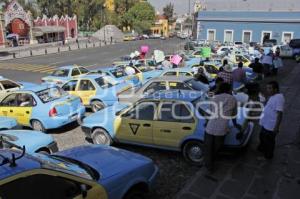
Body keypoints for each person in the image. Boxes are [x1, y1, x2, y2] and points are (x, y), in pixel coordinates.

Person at [204, 82, 241, 174]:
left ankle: (209, 167)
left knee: (208, 148)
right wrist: (235, 124)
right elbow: (234, 115)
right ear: (229, 90)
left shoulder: (214, 98)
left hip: (210, 127)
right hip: (221, 128)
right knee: (216, 148)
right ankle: (212, 162)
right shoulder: (233, 99)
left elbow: (209, 113)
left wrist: (206, 122)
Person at [258, 81, 285, 160]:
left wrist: (276, 127)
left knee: (269, 142)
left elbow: (280, 114)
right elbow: (268, 106)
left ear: (275, 89)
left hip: (271, 126)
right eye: (267, 88)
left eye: (269, 88)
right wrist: (263, 100)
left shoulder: (279, 98)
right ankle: (262, 149)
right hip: (266, 123)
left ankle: (268, 156)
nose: (267, 90)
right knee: (262, 136)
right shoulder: (272, 96)